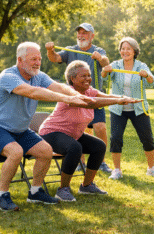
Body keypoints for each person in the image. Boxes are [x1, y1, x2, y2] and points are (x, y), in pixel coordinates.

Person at [0, 42, 90, 211]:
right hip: (1, 128)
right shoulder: (8, 76)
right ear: (20, 60)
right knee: (16, 152)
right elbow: (32, 92)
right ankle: (2, 195)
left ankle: (35, 192)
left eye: (39, 59)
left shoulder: (38, 76)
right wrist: (67, 99)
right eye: (33, 59)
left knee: (46, 151)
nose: (38, 62)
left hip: (21, 130)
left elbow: (59, 87)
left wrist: (76, 95)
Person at [39, 60, 142, 201]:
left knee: (99, 146)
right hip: (52, 133)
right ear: (72, 79)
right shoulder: (68, 93)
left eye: (89, 75)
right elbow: (91, 103)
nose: (88, 78)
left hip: (73, 134)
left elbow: (104, 97)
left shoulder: (90, 91)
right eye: (83, 76)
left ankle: (86, 186)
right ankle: (63, 189)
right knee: (75, 148)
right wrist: (118, 101)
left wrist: (124, 98)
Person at [45, 23, 112, 173]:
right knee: (77, 130)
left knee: (100, 127)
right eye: (79, 33)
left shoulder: (99, 50)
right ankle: (79, 162)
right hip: (75, 98)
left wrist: (100, 58)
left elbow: (106, 63)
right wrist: (50, 50)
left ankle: (101, 162)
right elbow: (55, 58)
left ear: (92, 36)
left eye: (85, 33)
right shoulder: (71, 50)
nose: (81, 35)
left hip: (94, 97)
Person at [101, 37, 154, 180]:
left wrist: (146, 75)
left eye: (128, 48)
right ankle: (117, 170)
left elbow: (152, 82)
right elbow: (104, 77)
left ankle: (151, 168)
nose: (125, 51)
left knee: (147, 138)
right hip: (118, 109)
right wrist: (105, 70)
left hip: (138, 108)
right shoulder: (116, 64)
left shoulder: (141, 66)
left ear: (134, 51)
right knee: (116, 138)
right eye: (123, 48)